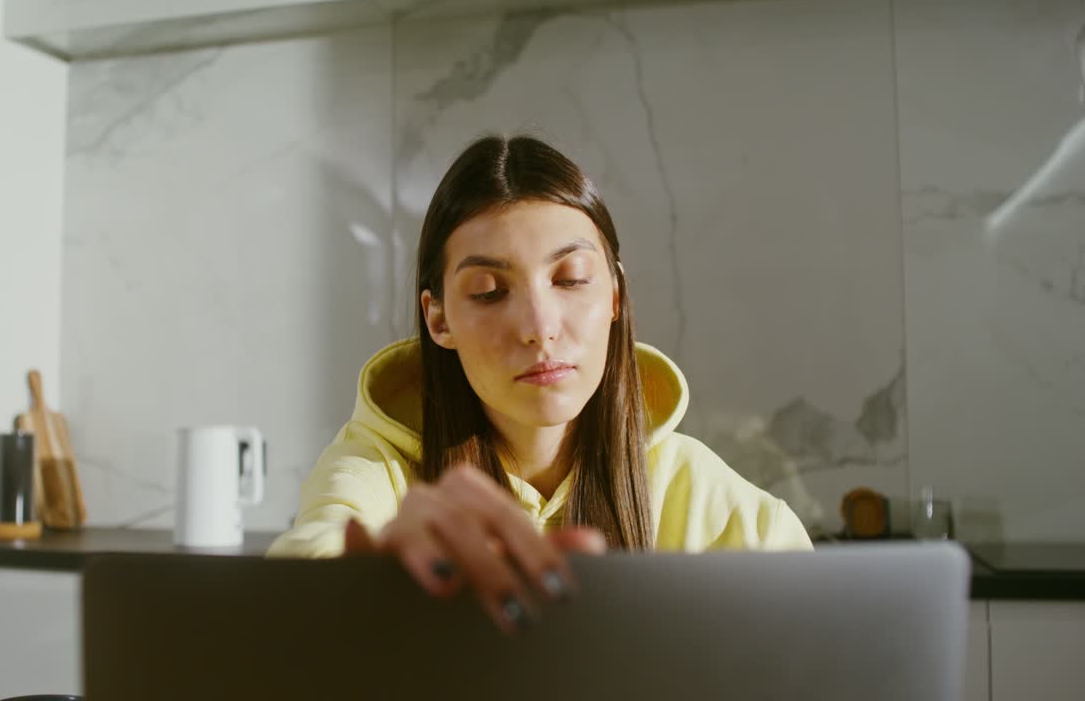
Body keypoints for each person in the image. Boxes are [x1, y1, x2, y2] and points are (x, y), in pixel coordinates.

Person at [267, 134, 812, 633]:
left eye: (570, 280)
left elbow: (819, 636)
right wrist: (365, 585)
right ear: (439, 320)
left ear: (617, 295)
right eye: (487, 291)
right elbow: (302, 579)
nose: (539, 328)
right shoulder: (375, 467)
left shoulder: (692, 488)